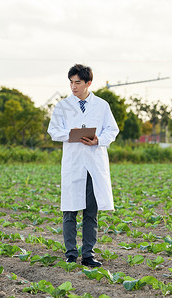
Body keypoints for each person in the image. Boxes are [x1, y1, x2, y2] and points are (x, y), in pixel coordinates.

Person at [47, 64, 119, 267]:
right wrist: (72, 135)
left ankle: (88, 254)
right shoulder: (62, 106)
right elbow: (53, 131)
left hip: (93, 164)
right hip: (74, 163)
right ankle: (70, 253)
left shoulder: (102, 105)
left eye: (77, 82)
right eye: (71, 82)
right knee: (69, 211)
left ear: (88, 83)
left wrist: (98, 140)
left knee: (91, 212)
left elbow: (112, 130)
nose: (73, 86)